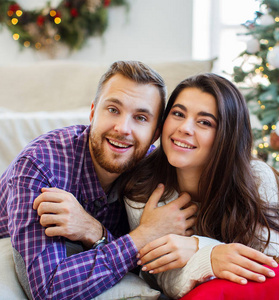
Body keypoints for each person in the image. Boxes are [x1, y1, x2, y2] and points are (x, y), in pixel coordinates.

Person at [0, 61, 197, 300]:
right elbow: (48, 290)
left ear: (156, 134)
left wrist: (93, 231)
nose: (123, 128)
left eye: (141, 117)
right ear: (93, 112)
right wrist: (144, 236)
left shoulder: (151, 173)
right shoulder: (41, 166)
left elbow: (146, 268)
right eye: (113, 109)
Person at [122, 73, 279, 299]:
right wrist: (213, 259)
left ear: (226, 136)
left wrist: (200, 248)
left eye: (204, 122)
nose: (184, 128)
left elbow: (272, 265)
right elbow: (164, 279)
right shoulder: (142, 185)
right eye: (178, 114)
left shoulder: (257, 176)